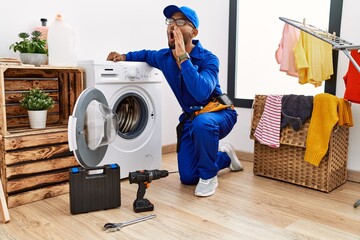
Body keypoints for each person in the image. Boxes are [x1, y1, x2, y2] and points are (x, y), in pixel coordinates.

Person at [107, 5, 243, 197]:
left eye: (180, 22)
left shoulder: (209, 59)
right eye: (170, 21)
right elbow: (146, 54)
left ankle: (209, 176)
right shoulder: (164, 57)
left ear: (194, 32)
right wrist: (124, 56)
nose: (173, 26)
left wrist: (183, 58)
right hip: (191, 119)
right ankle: (224, 157)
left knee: (202, 124)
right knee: (187, 177)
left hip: (218, 114)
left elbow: (201, 93)